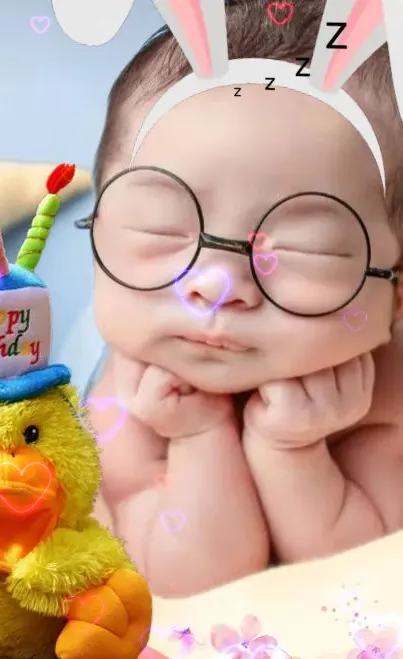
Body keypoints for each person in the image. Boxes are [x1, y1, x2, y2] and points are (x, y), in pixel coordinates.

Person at [77, 0, 403, 596]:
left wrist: (293, 455)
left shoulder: (385, 394)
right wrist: (197, 440)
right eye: (159, 230)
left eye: (306, 250)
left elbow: (366, 585)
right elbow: (178, 583)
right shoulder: (133, 391)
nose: (216, 285)